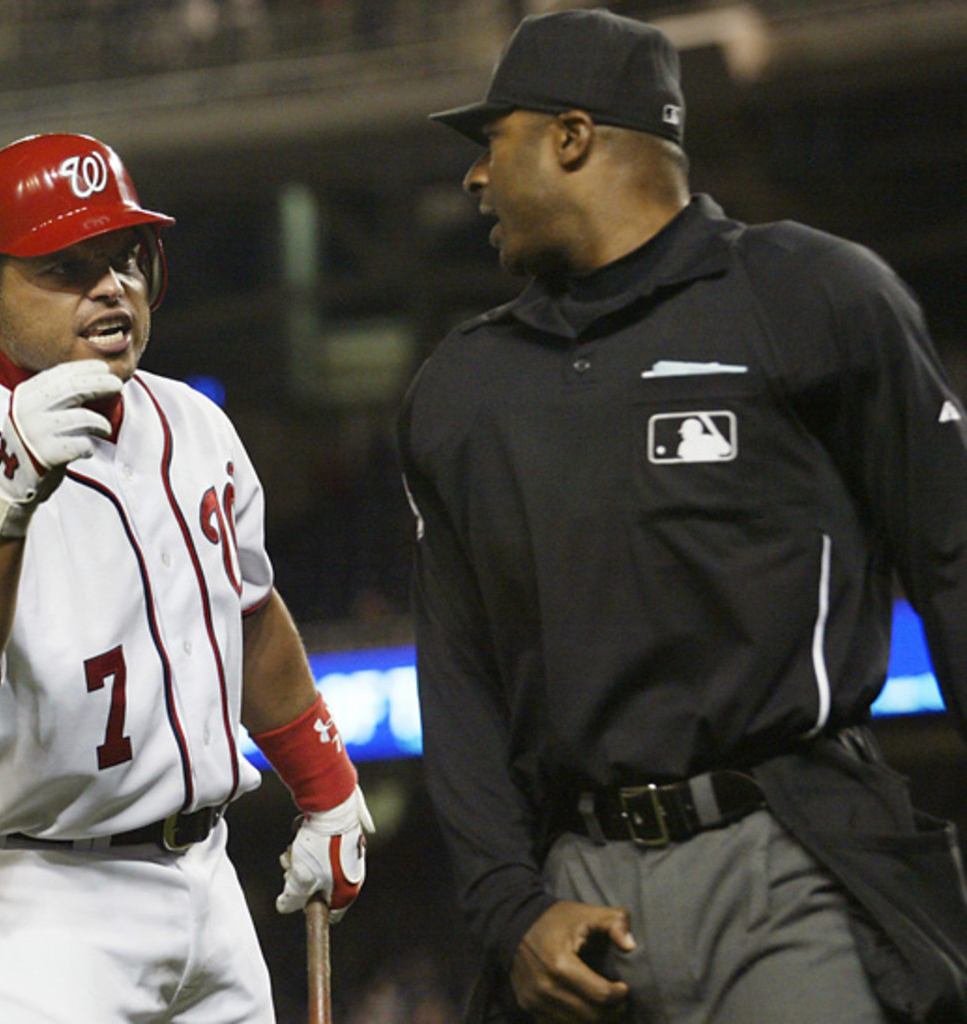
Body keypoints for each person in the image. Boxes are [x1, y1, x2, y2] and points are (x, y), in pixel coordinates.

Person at [398, 10, 967, 1024]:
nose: (476, 178)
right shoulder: (464, 388)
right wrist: (510, 908)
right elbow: (458, 675)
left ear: (572, 136)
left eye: (492, 140)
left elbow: (954, 555)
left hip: (789, 856)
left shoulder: (810, 294)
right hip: (576, 887)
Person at [0, 132, 374, 1024]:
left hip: (206, 879)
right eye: (66, 267)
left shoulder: (193, 423)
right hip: (29, 901)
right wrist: (5, 500)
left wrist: (326, 783)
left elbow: (245, 615)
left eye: (127, 258)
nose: (111, 288)